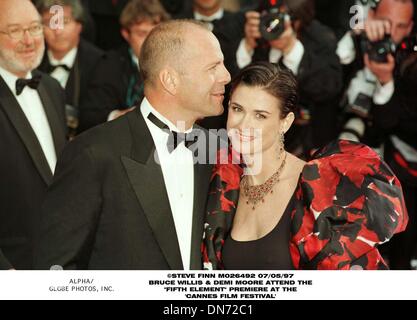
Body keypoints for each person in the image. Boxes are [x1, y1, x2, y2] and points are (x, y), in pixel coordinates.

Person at [34, 20, 231, 270]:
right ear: (170, 80)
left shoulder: (217, 150)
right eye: (213, 67)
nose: (226, 76)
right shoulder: (93, 154)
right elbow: (55, 268)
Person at [202, 62, 408, 270]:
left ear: (286, 122)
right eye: (237, 109)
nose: (243, 125)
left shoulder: (321, 188)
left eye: (260, 115)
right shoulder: (221, 181)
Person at [0, 0, 67, 270]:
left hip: (60, 259)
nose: (28, 40)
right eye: (15, 30)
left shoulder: (52, 88)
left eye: (35, 28)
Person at [237, 0, 343, 154]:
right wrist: (247, 45)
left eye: (280, 18)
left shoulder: (321, 38)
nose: (274, 24)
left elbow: (329, 88)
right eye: (270, 17)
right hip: (253, 138)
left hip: (307, 139)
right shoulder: (253, 33)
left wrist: (291, 49)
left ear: (297, 22)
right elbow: (232, 86)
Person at [78, 0, 170, 132]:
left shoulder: (175, 62)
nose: (150, 40)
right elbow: (89, 115)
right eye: (142, 34)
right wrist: (119, 115)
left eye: (155, 32)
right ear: (126, 34)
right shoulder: (109, 64)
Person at [36, 0, 104, 137]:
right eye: (50, 22)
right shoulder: (29, 61)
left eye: (65, 21)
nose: (58, 31)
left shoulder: (100, 63)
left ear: (79, 25)